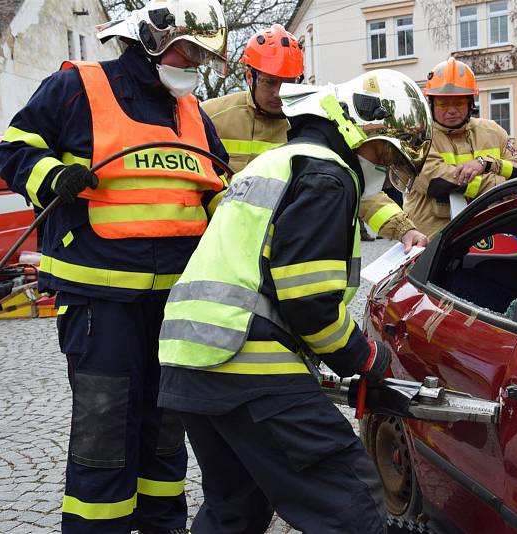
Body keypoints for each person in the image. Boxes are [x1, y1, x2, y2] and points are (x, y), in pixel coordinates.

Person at [158, 69, 432, 533]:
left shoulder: (280, 161)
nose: (384, 167)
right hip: (247, 363)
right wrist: (365, 358)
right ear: (356, 129)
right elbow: (309, 302)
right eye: (384, 152)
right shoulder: (327, 176)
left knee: (236, 508)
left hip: (188, 360)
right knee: (349, 502)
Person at [0, 1, 229, 532]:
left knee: (166, 428)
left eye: (201, 55)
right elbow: (16, 149)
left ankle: (163, 525)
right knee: (105, 433)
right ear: (149, 39)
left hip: (173, 304)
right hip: (101, 301)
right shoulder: (80, 87)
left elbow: (214, 190)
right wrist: (54, 177)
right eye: (186, 50)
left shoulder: (191, 112)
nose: (193, 62)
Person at [202, 24, 428, 250]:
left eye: (288, 82)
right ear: (249, 77)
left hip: (284, 248)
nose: (278, 92)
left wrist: (404, 228)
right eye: (269, 81)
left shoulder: (317, 123)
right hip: (223, 243)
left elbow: (356, 183)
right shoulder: (212, 116)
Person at [404, 57, 517, 237]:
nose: (452, 109)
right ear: (430, 103)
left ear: (471, 103)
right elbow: (437, 183)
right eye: (443, 103)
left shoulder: (493, 131)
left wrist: (487, 163)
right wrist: (498, 186)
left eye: (459, 102)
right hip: (433, 242)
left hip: (487, 236)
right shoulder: (417, 137)